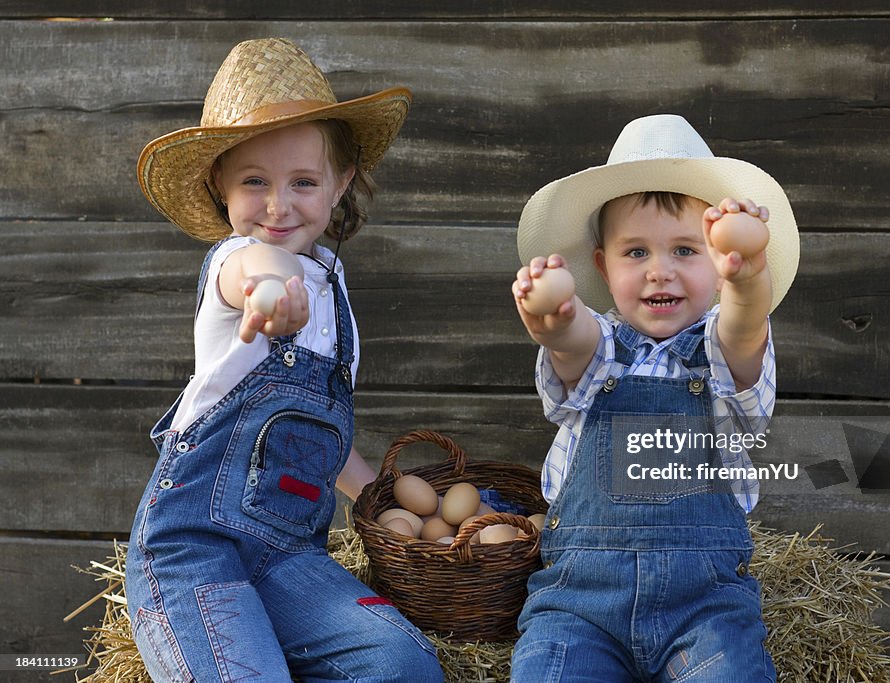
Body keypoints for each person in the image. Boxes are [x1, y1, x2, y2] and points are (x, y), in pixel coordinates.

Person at [126, 38, 445, 682]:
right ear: (220, 186)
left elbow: (315, 448)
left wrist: (379, 501)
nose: (278, 206)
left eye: (303, 182)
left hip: (287, 558)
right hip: (194, 552)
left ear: (341, 183)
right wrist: (271, 299)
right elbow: (258, 273)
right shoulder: (234, 261)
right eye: (254, 182)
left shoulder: (330, 285)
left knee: (402, 663)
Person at [510, 114, 800, 682]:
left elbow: (746, 328)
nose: (659, 272)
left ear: (718, 267)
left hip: (705, 607)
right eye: (636, 252)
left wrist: (747, 278)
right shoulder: (602, 344)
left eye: (687, 251)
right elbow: (575, 348)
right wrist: (554, 322)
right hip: (579, 606)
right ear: (602, 266)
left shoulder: (719, 348)